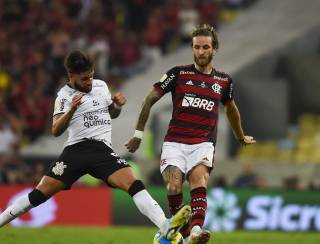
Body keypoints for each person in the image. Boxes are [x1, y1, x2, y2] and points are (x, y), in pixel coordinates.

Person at [0, 50, 191, 241]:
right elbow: (56, 130)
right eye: (84, 79)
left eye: (91, 76)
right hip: (75, 151)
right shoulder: (64, 97)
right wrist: (72, 110)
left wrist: (116, 106)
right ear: (71, 76)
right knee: (38, 195)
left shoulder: (100, 86)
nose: (89, 82)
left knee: (134, 183)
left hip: (102, 151)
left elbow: (112, 114)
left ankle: (165, 225)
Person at [126, 24, 256, 244]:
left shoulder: (224, 81)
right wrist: (138, 134)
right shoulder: (178, 73)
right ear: (192, 49)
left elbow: (231, 110)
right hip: (175, 142)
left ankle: (196, 230)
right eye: (197, 47)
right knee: (173, 186)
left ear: (214, 50)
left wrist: (240, 136)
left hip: (203, 143)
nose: (201, 51)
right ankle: (186, 238)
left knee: (199, 181)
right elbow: (148, 99)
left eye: (206, 47)